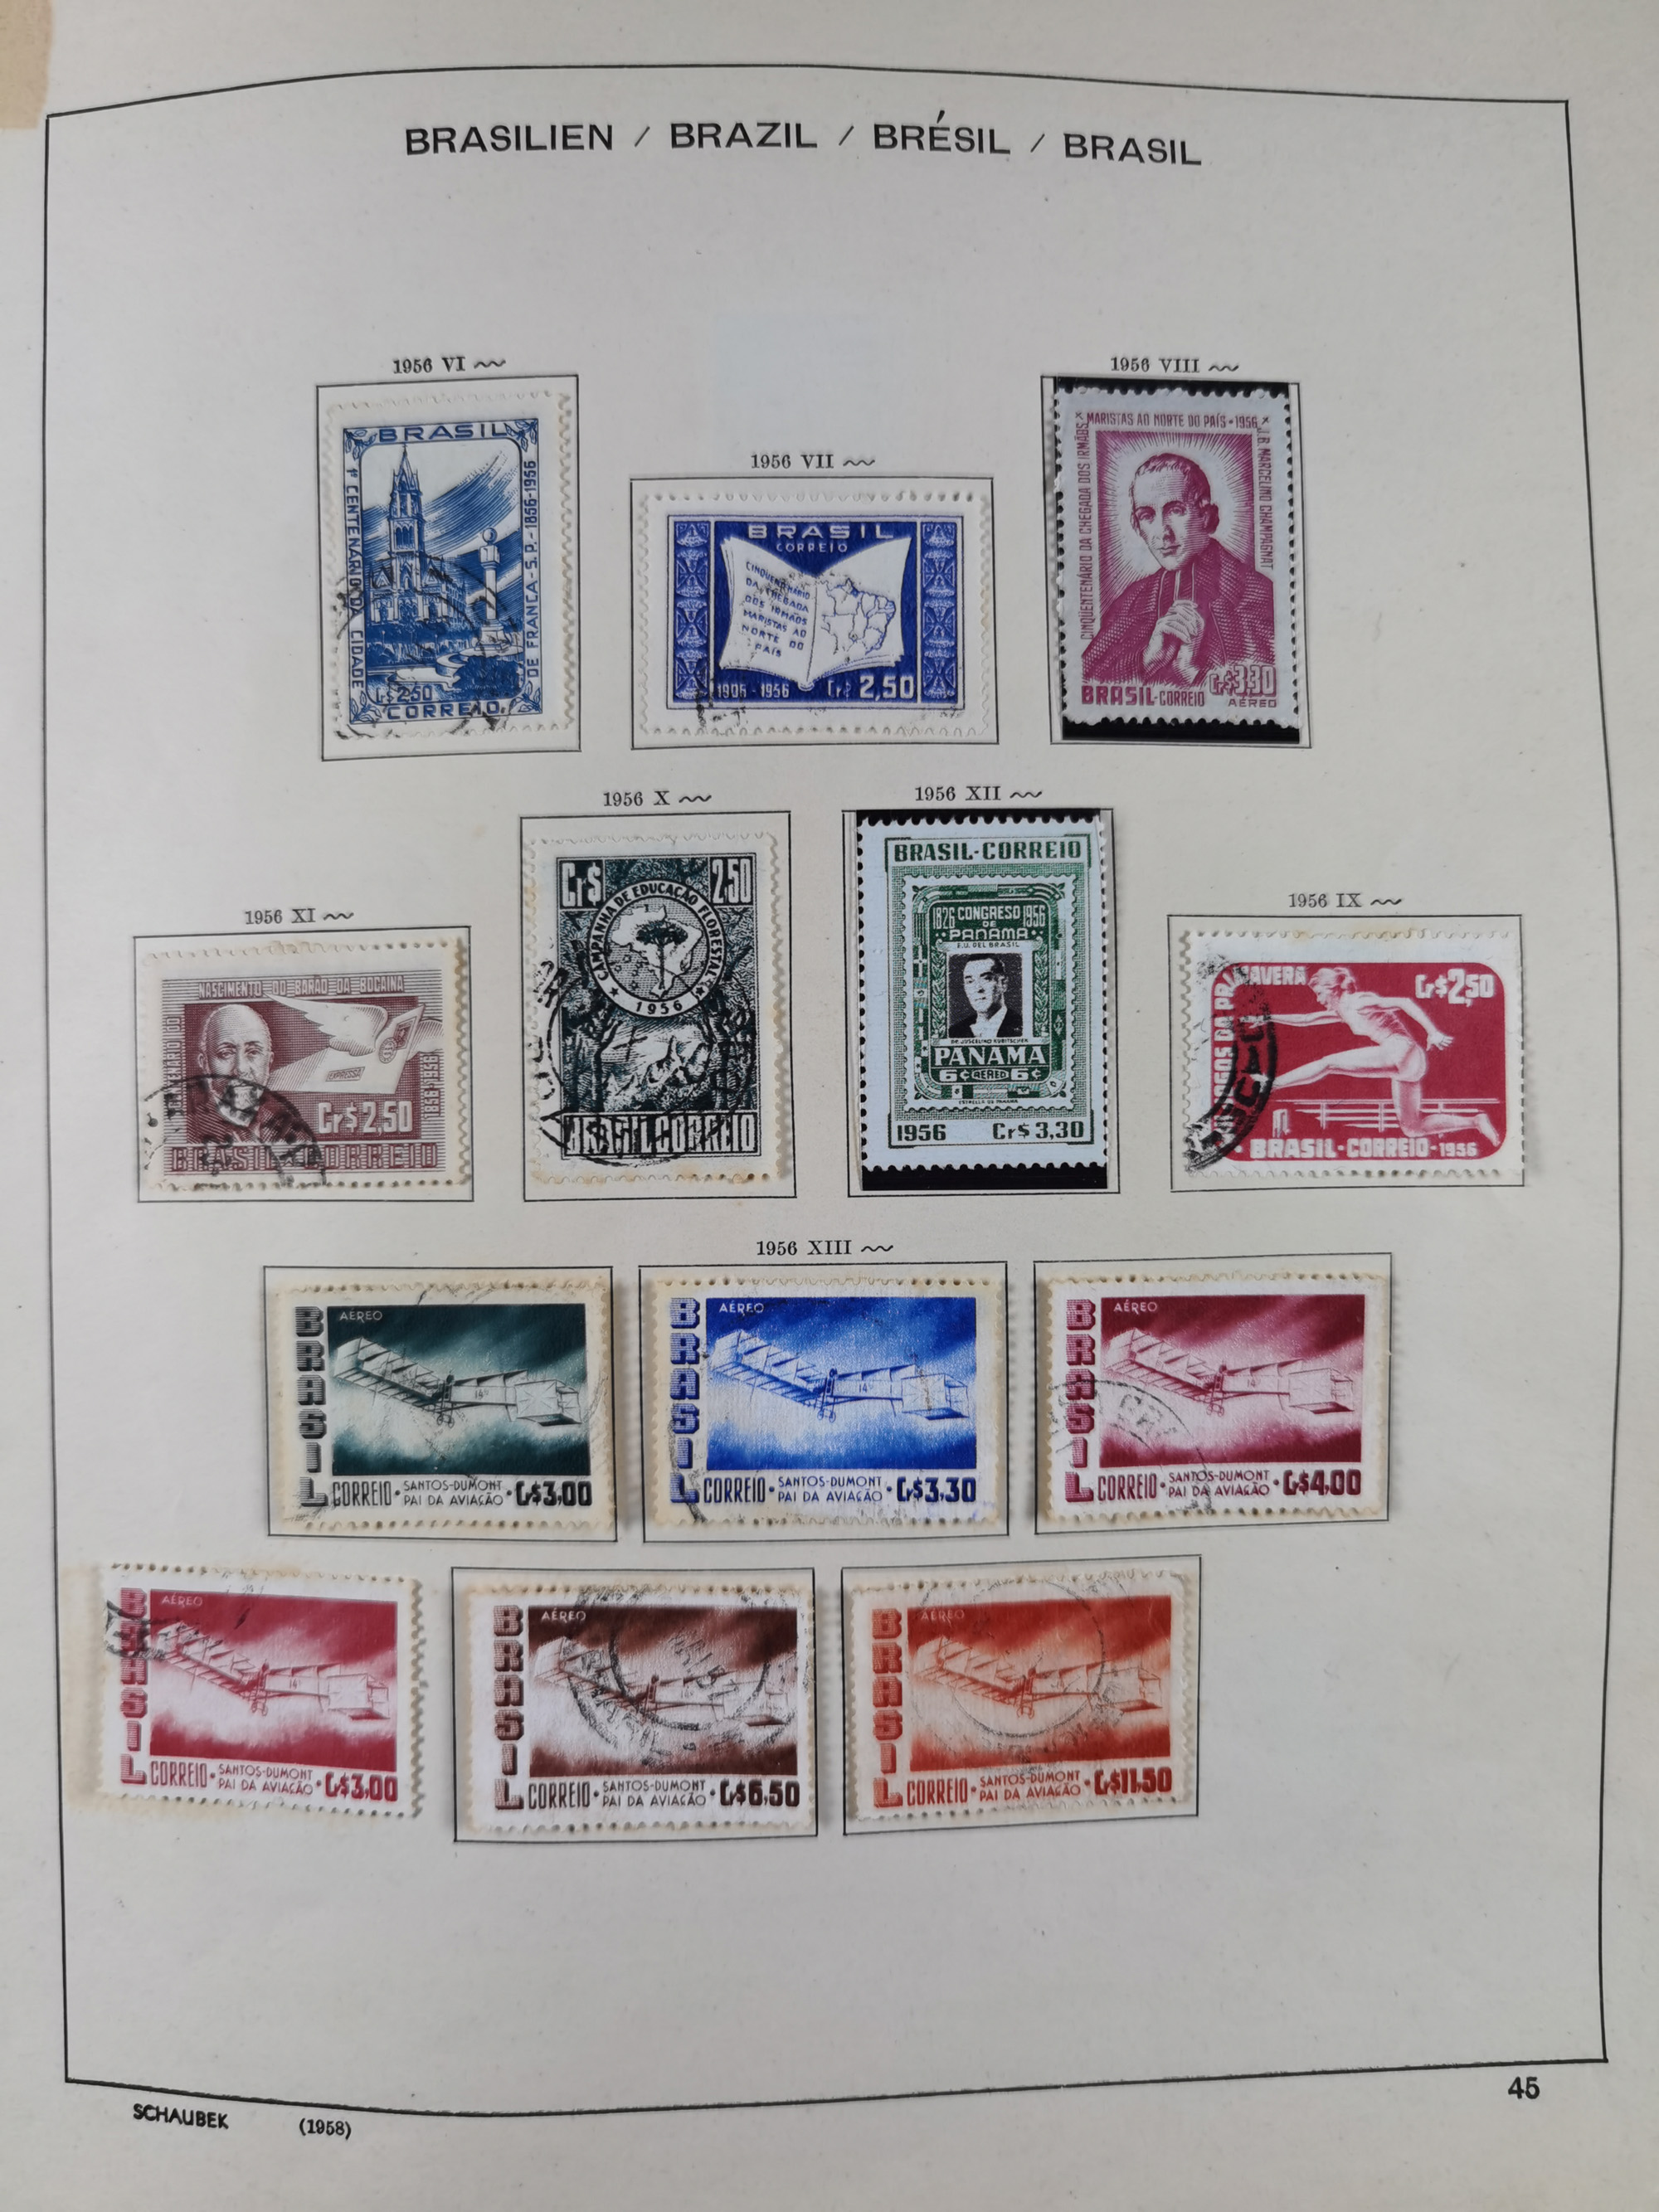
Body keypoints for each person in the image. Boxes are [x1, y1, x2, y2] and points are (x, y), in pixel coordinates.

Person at [1082, 453, 1275, 688]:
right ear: (1137, 525)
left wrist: (1192, 674)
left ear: (1205, 515)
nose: (1163, 532)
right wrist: (1146, 661)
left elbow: (1275, 686)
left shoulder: (1259, 595)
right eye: (1147, 516)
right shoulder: (1131, 602)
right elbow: (1082, 682)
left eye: (1175, 510)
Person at [1268, 967, 1500, 1145]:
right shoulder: (1343, 1011)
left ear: (1332, 989)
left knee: (1328, 1063)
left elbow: (1403, 1002)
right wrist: (1269, 1018)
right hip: (1410, 1062)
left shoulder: (1358, 1002)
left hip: (1399, 1050)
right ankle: (1475, 1121)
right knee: (1412, 1129)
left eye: (1319, 994)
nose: (1319, 1000)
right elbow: (1306, 1019)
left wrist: (1433, 1032)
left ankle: (1274, 1084)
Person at [182, 1002, 323, 1170]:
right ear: (204, 1064)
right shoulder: (182, 1130)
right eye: (226, 1053)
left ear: (269, 1063)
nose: (241, 1069)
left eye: (253, 1052)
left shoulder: (295, 1131)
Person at [950, 955, 1015, 1040]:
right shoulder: (954, 1032)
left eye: (986, 979)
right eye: (970, 981)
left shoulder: (1023, 1027)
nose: (978, 988)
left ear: (1003, 984)